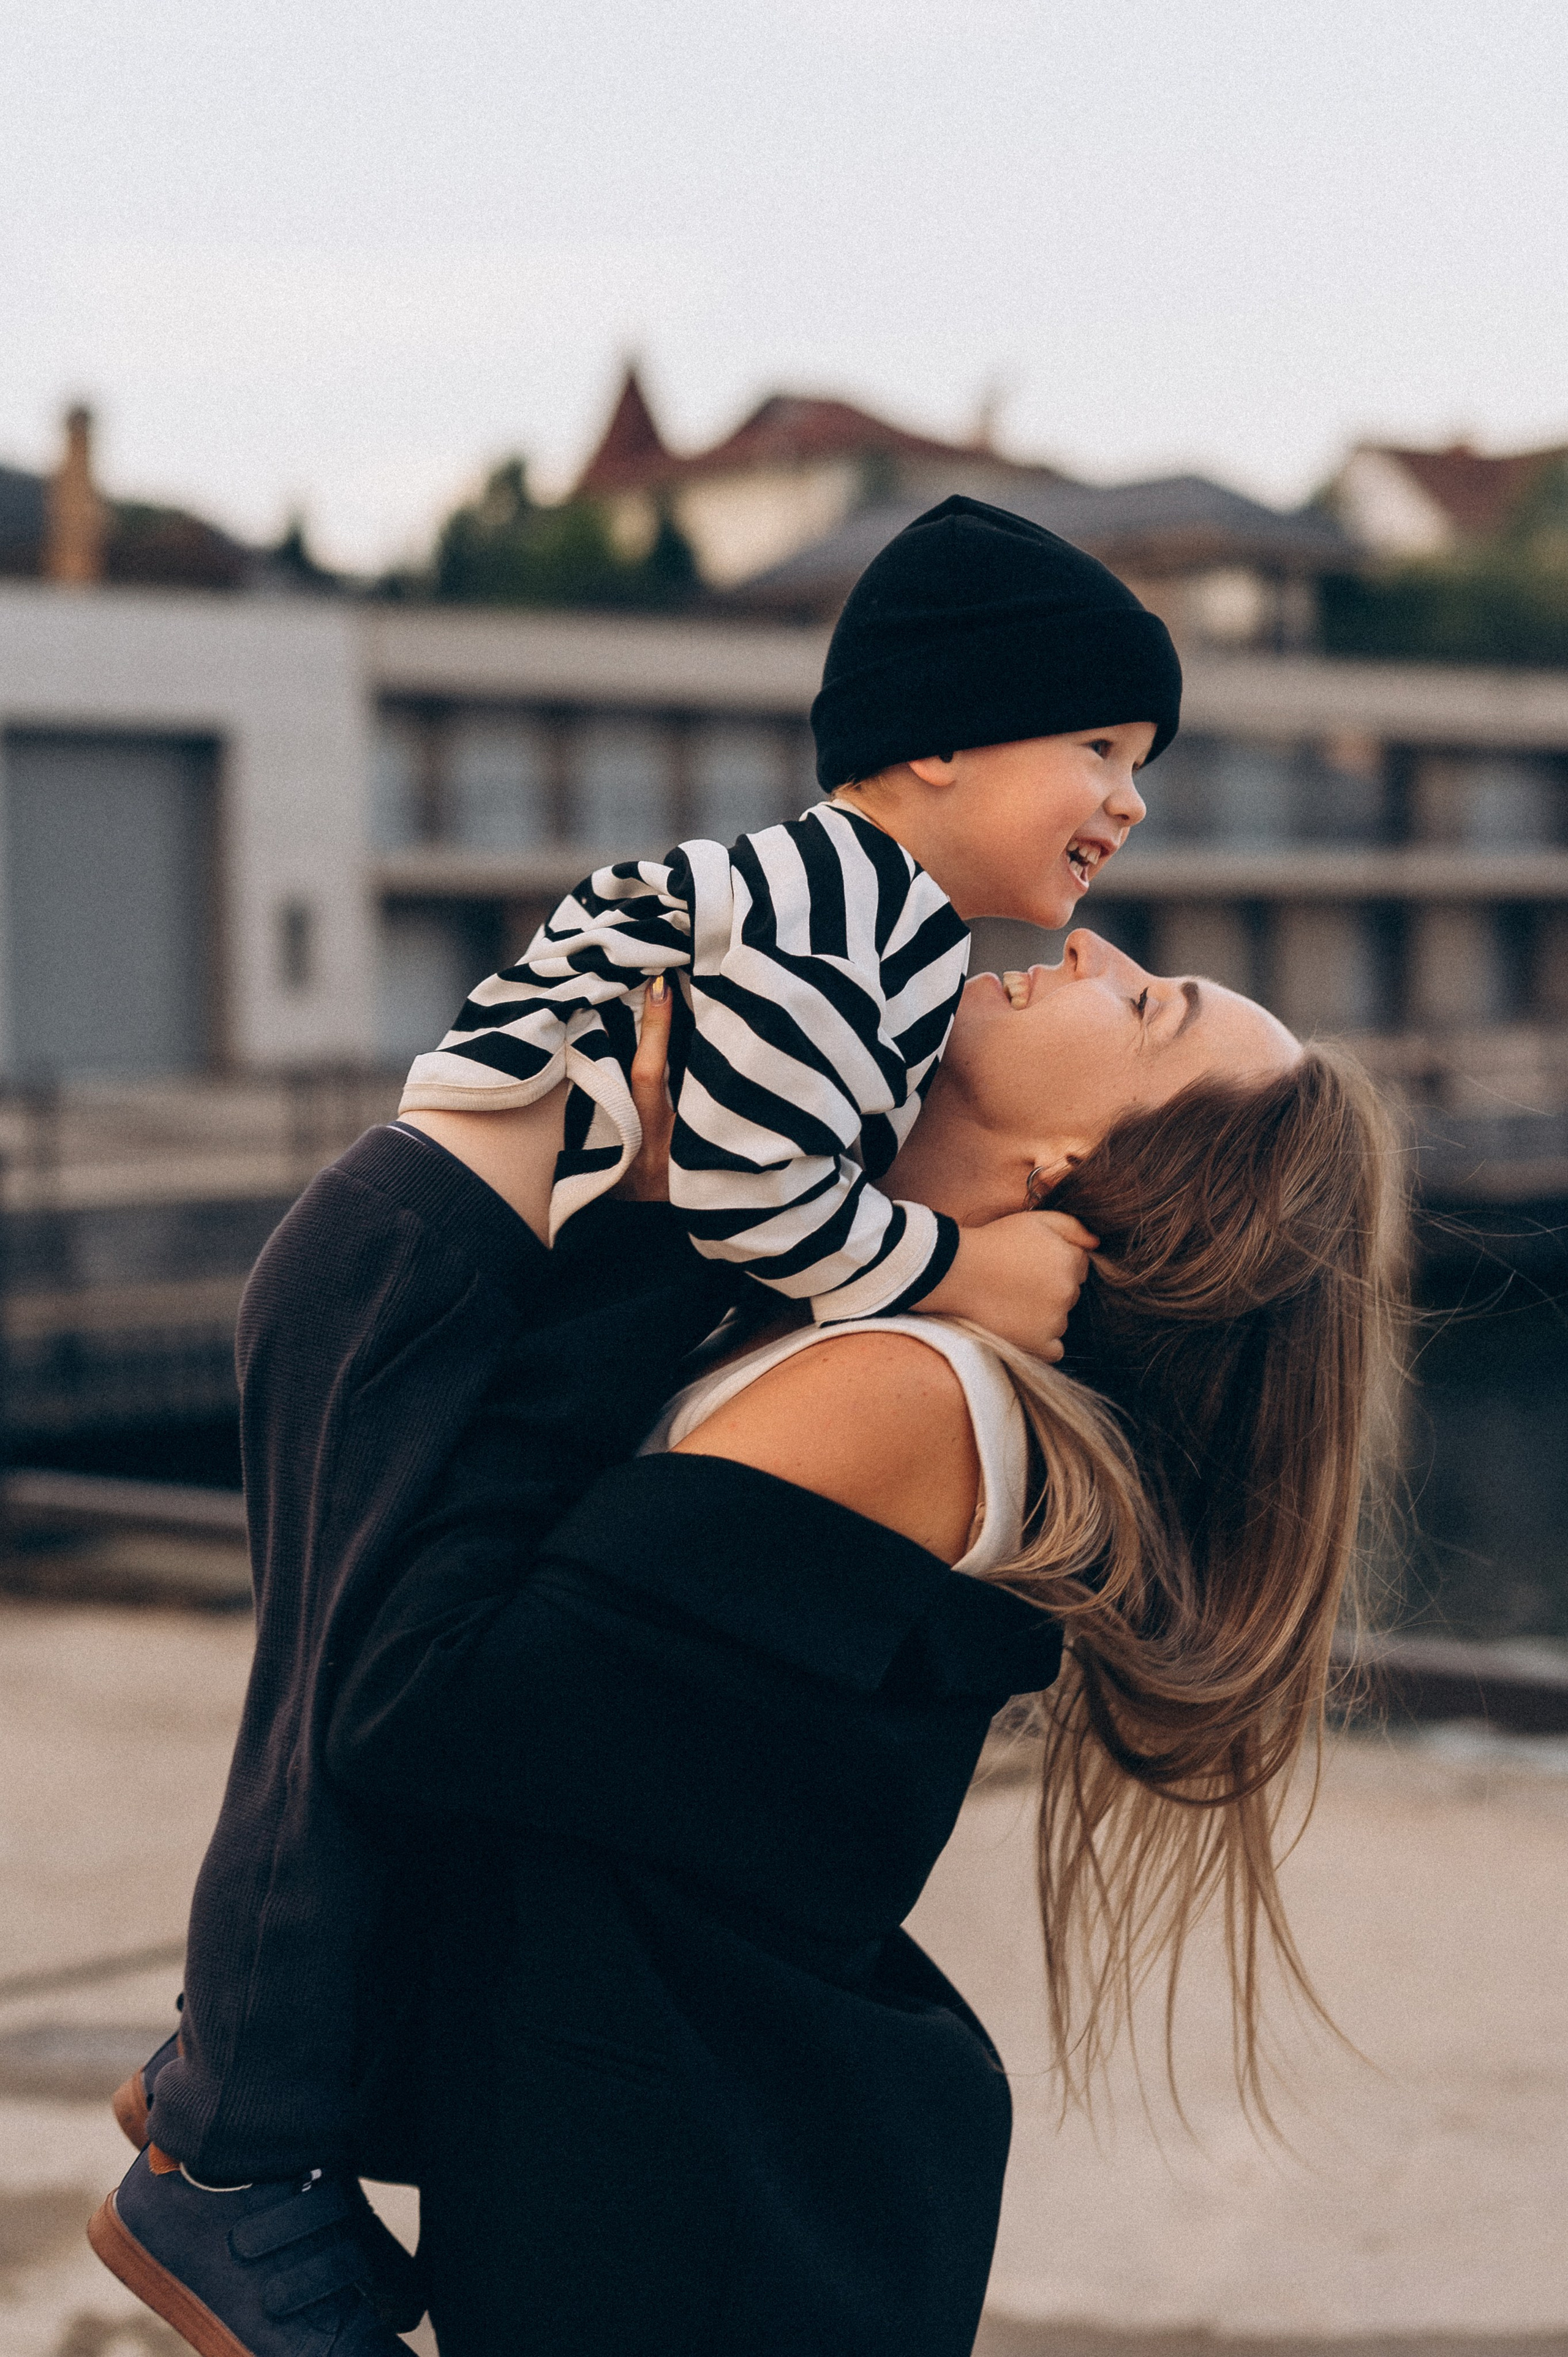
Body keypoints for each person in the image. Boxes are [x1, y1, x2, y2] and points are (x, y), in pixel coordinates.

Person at [87, 495, 1180, 2357]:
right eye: (1098, 746)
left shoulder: (885, 931)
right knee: (331, 1712)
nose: (1129, 803)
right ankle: (232, 2163)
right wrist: (960, 1268)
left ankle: (237, 2082)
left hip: (455, 1269)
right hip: (419, 1259)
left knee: (339, 1692)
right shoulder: (844, 915)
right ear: (937, 741)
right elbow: (744, 1191)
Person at [315, 931, 1401, 2356]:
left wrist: (644, 1222)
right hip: (680, 2186)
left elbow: (422, 1698)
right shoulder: (868, 1326)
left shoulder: (912, 1396)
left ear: (1070, 1164)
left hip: (700, 2234)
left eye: (1143, 1007)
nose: (1091, 944)